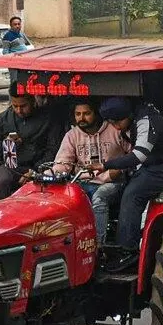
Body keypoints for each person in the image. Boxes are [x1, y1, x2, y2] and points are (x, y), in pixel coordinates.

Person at [90, 97, 163, 269]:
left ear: (126, 115)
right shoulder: (134, 119)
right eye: (112, 123)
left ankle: (127, 251)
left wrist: (106, 165)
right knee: (119, 190)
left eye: (118, 122)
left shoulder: (146, 121)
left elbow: (139, 155)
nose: (116, 127)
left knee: (133, 194)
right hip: (151, 166)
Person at [53, 102, 129, 244]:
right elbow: (63, 163)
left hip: (112, 183)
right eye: (78, 114)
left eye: (87, 113)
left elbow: (132, 154)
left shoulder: (114, 130)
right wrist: (49, 174)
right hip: (82, 183)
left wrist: (118, 170)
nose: (82, 118)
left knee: (99, 197)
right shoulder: (72, 135)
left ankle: (97, 245)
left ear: (96, 114)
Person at [0, 93, 63, 201]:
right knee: (3, 182)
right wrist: (6, 144)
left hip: (39, 167)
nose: (19, 110)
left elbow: (53, 149)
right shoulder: (2, 119)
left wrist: (35, 171)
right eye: (15, 106)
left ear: (32, 101)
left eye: (23, 106)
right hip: (9, 167)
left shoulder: (48, 119)